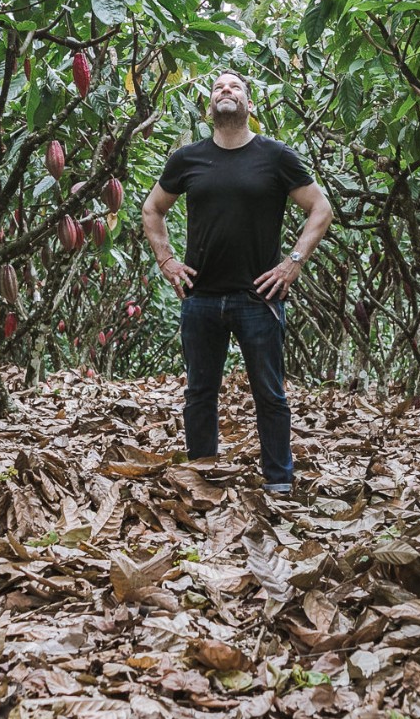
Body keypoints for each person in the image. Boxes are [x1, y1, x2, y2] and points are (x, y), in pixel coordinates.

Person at [141, 70, 333, 494]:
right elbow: (152, 208)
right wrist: (167, 260)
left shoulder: (276, 156)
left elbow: (320, 208)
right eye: (217, 88)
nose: (225, 91)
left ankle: (279, 483)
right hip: (201, 297)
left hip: (258, 297)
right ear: (209, 107)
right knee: (199, 393)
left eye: (235, 87)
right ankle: (202, 476)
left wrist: (292, 263)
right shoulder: (187, 158)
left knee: (269, 393)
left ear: (250, 104)